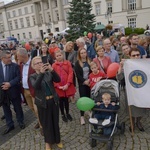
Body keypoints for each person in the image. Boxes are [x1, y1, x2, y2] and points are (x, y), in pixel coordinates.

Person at [29, 56, 63, 150]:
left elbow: (58, 80)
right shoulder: (32, 76)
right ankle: (48, 142)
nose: (40, 64)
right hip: (43, 103)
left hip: (53, 100)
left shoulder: (48, 73)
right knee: (46, 123)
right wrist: (41, 73)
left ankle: (57, 139)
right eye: (37, 63)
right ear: (33, 66)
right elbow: (36, 86)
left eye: (41, 62)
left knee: (55, 121)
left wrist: (52, 70)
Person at [117, 48, 145, 132]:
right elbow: (119, 77)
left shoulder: (144, 64)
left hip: (141, 90)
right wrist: (121, 66)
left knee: (141, 107)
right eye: (134, 55)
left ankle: (138, 122)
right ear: (130, 56)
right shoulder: (126, 65)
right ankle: (132, 122)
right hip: (130, 91)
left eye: (137, 55)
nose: (136, 57)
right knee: (131, 107)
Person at [0, 50, 25, 135]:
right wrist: (3, 85)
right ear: (2, 58)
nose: (10, 59)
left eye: (10, 57)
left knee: (17, 107)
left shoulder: (15, 66)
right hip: (3, 92)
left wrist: (10, 84)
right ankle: (10, 125)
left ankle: (20, 121)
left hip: (14, 90)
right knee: (6, 109)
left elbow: (18, 77)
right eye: (7, 58)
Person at [17, 48, 42, 131]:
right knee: (31, 108)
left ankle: (43, 126)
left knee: (37, 109)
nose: (17, 58)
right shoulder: (21, 65)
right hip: (25, 90)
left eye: (18, 56)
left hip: (33, 90)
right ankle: (39, 120)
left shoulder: (33, 64)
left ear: (22, 56)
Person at [52, 50, 76, 122]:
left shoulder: (67, 63)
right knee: (60, 101)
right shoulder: (54, 65)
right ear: (55, 57)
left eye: (60, 55)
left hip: (66, 86)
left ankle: (68, 113)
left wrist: (68, 84)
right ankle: (62, 114)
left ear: (63, 55)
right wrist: (58, 86)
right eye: (57, 56)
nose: (59, 57)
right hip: (59, 87)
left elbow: (70, 73)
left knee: (66, 101)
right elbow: (53, 76)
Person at [75, 48, 91, 125]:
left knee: (89, 98)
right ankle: (82, 116)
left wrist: (89, 80)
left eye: (84, 52)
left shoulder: (89, 61)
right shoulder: (77, 63)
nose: (83, 54)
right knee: (82, 99)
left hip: (89, 83)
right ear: (79, 55)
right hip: (82, 84)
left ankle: (88, 111)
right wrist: (84, 81)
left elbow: (91, 72)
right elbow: (78, 75)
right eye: (81, 53)